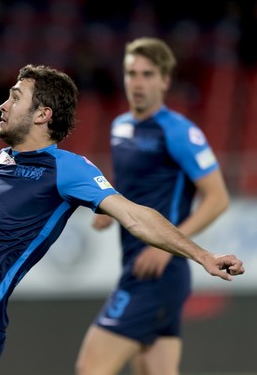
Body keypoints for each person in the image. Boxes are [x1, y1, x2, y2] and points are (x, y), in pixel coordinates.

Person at [0, 63, 244, 374]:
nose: (2, 105)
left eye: (14, 97)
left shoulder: (67, 169)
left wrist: (202, 255)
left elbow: (135, 215)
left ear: (43, 114)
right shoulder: (1, 160)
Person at [75, 37, 231, 375]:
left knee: (91, 368)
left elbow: (218, 198)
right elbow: (136, 185)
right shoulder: (120, 126)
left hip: (158, 272)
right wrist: (110, 210)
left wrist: (167, 248)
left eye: (147, 74)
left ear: (164, 80)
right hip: (136, 263)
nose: (138, 82)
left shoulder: (178, 132)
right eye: (132, 73)